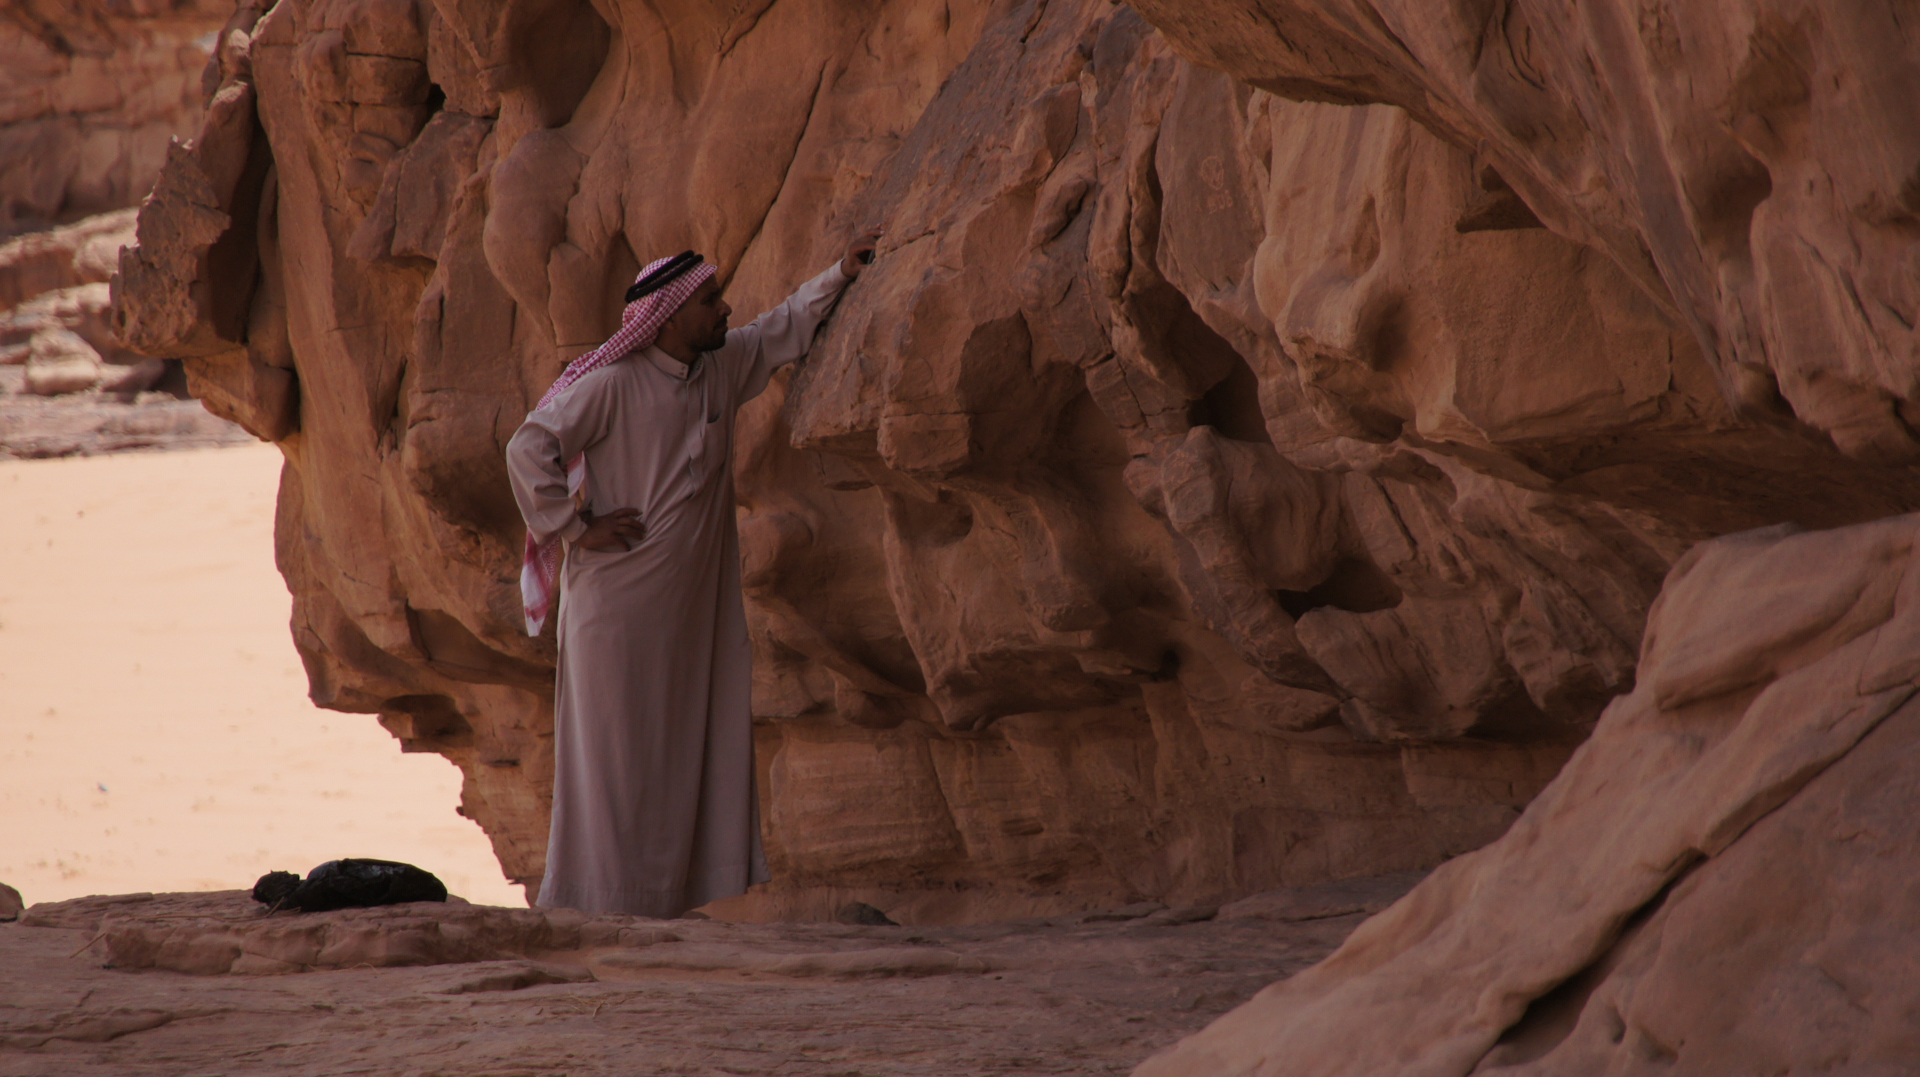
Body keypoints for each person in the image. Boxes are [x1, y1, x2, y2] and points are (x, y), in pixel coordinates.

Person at [504, 234, 878, 917]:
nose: (724, 308)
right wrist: (575, 527)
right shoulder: (613, 384)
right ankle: (597, 908)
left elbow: (783, 328)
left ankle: (659, 909)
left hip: (689, 616)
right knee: (615, 764)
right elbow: (529, 447)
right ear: (669, 317)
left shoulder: (719, 370)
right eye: (710, 300)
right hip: (615, 615)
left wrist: (842, 272)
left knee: (675, 756)